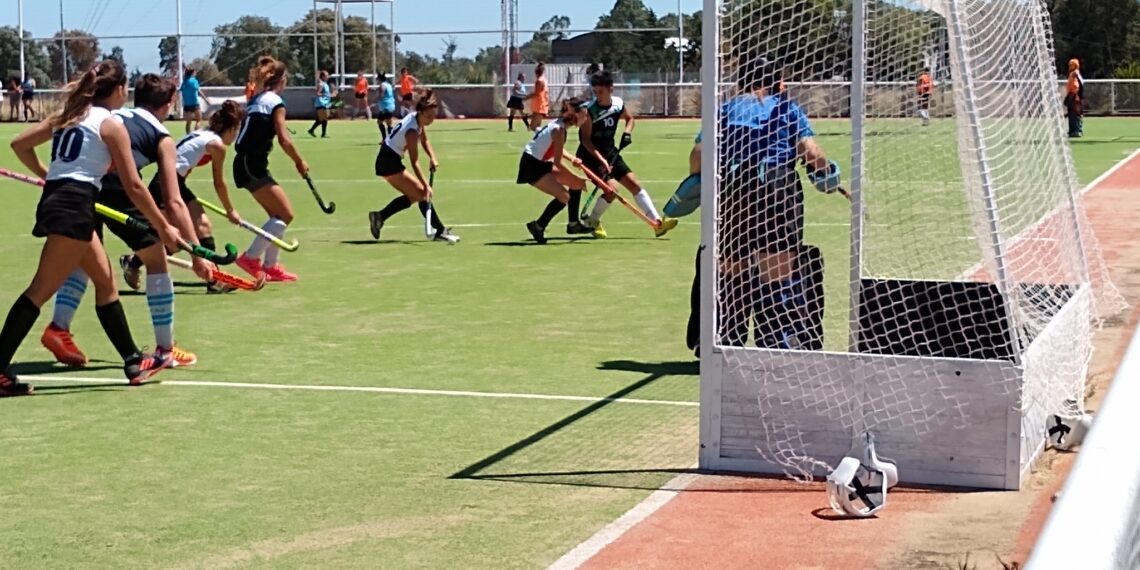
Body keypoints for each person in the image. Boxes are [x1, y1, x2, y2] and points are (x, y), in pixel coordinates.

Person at [1, 60, 179, 395]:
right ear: (119, 89)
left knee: (106, 281)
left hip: (62, 201)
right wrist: (163, 227)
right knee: (40, 289)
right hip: (75, 206)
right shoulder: (110, 124)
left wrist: (50, 176)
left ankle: (133, 361)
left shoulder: (69, 115)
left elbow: (19, 145)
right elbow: (134, 186)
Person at [43, 73, 211, 369]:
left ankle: (59, 327)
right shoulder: (162, 137)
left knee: (83, 255)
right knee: (156, 259)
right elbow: (174, 201)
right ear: (169, 103)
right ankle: (165, 349)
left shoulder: (112, 115)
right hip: (120, 187)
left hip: (84, 187)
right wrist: (197, 253)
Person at [714, 56, 841, 349]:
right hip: (776, 188)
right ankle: (777, 341)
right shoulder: (786, 109)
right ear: (776, 82)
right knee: (778, 268)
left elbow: (698, 156)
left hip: (733, 188)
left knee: (731, 266)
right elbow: (811, 153)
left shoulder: (724, 110)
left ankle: (727, 339)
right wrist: (828, 172)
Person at [121, 100, 246, 295]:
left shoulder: (203, 133)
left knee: (202, 226)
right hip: (166, 186)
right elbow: (219, 183)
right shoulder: (217, 145)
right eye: (237, 130)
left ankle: (214, 279)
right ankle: (134, 261)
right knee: (176, 240)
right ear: (231, 129)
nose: (236, 135)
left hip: (175, 183)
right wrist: (230, 210)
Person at [233, 56, 310, 283]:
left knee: (277, 216)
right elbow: (285, 139)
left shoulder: (258, 98)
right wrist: (299, 161)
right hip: (252, 164)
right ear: (282, 80)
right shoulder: (275, 103)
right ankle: (250, 258)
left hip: (247, 163)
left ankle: (271, 266)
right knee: (285, 214)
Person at [576, 69, 678, 238]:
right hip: (590, 156)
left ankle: (657, 224)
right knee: (612, 190)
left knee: (634, 185)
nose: (597, 96)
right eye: (595, 92)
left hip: (610, 152)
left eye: (601, 92)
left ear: (611, 89)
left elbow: (630, 119)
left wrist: (627, 133)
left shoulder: (617, 104)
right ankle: (592, 221)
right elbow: (585, 140)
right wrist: (602, 161)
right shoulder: (590, 111)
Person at [368, 89, 460, 245]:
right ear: (421, 112)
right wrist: (426, 185)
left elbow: (424, 140)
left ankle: (379, 217)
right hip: (388, 162)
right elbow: (414, 162)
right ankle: (440, 230)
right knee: (422, 193)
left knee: (414, 195)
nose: (431, 120)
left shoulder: (417, 119)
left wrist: (432, 157)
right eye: (428, 116)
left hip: (389, 159)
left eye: (434, 116)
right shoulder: (411, 130)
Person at [518, 98, 589, 244]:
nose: (586, 119)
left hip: (540, 162)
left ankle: (573, 224)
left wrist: (572, 159)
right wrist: (575, 177)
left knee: (575, 185)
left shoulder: (560, 126)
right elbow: (558, 162)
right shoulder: (559, 130)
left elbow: (558, 149)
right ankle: (538, 226)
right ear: (575, 114)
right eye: (584, 115)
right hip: (531, 166)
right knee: (565, 197)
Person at [181, 67, 205, 134]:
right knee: (199, 120)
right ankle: (196, 134)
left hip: (187, 104)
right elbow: (199, 91)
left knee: (188, 123)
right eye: (194, 72)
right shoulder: (194, 81)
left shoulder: (184, 82)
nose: (195, 73)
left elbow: (182, 92)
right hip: (195, 103)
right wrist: (205, 99)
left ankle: (188, 136)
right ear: (192, 73)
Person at [308, 70, 332, 138]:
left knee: (322, 119)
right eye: (327, 75)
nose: (328, 77)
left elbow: (326, 93)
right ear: (323, 76)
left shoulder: (324, 84)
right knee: (324, 119)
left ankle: (312, 130)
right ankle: (323, 134)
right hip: (321, 104)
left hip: (325, 103)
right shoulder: (321, 84)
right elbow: (318, 93)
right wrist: (326, 95)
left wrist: (331, 95)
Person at [1065, 58, 1084, 138]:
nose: (1070, 66)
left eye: (1071, 64)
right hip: (1072, 96)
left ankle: (1077, 131)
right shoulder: (1072, 74)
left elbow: (1077, 85)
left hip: (1075, 96)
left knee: (1076, 114)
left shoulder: (1075, 73)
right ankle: (1072, 130)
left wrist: (1074, 94)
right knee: (1071, 114)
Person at [528, 63, 550, 132]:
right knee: (537, 127)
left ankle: (546, 136)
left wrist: (524, 98)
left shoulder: (539, 81)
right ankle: (541, 137)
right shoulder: (544, 80)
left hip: (539, 106)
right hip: (541, 105)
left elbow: (536, 94)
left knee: (533, 127)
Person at [376, 73, 397, 142]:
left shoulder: (382, 86)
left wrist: (375, 100)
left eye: (377, 79)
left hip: (385, 107)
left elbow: (381, 96)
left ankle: (385, 139)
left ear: (380, 79)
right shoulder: (389, 85)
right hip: (391, 106)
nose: (376, 80)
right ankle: (390, 139)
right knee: (389, 123)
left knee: (380, 122)